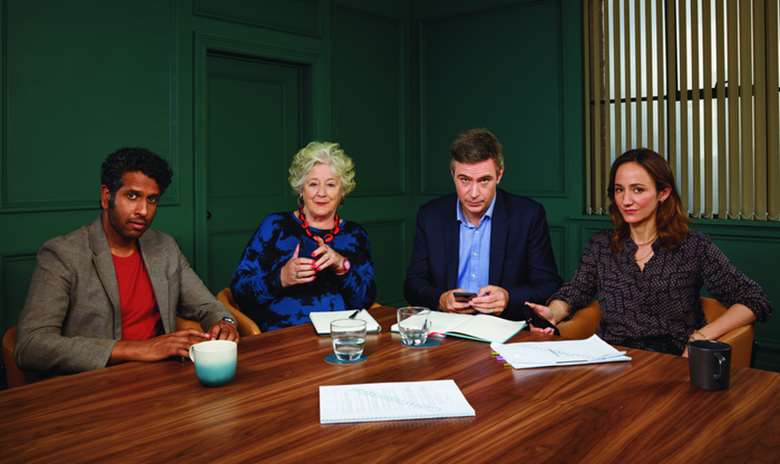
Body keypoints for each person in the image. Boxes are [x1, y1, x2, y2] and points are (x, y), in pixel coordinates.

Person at [15, 148, 239, 375]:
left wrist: (225, 322)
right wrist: (138, 349)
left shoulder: (165, 247)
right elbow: (31, 345)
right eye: (132, 196)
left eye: (152, 200)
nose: (143, 210)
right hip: (93, 384)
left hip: (162, 379)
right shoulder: (63, 254)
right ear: (106, 197)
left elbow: (209, 306)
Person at [527, 148, 772, 356]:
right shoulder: (601, 245)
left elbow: (754, 299)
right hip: (612, 358)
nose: (625, 200)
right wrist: (553, 312)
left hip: (675, 362)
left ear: (663, 193)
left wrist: (703, 335)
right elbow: (575, 292)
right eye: (619, 190)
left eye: (638, 189)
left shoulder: (694, 246)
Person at [404, 128, 562, 320]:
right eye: (464, 180)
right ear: (453, 175)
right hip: (446, 328)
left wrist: (508, 298)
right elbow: (412, 285)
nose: (473, 193)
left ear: (500, 175)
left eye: (484, 180)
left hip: (503, 329)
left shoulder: (528, 215)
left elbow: (549, 286)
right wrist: (441, 299)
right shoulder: (430, 216)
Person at [231, 141, 376, 331]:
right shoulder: (275, 226)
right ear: (301, 189)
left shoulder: (355, 235)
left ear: (343, 191)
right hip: (284, 336)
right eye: (313, 184)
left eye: (331, 184)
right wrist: (281, 277)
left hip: (340, 335)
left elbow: (365, 300)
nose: (321, 193)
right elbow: (240, 291)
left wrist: (342, 267)